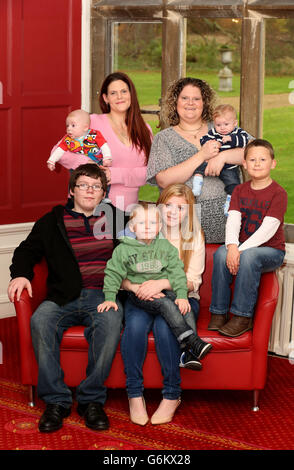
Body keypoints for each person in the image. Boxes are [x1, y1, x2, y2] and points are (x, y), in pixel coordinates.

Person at [7, 164, 128, 433]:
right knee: (40, 321)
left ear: (103, 194)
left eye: (96, 187)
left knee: (110, 323)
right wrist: (21, 275)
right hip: (63, 296)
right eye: (83, 185)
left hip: (103, 295)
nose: (89, 190)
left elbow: (145, 243)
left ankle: (91, 401)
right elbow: (26, 251)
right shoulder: (53, 221)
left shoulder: (118, 219)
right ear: (71, 190)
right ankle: (56, 402)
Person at [119, 184, 207, 426]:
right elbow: (120, 275)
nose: (172, 211)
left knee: (164, 326)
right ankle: (134, 394)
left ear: (189, 211)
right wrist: (136, 287)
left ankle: (171, 394)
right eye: (167, 205)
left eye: (180, 207)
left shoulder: (193, 236)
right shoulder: (141, 228)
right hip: (141, 296)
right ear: (159, 205)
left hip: (181, 297)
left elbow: (193, 282)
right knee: (135, 327)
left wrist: (161, 283)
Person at [98, 201, 211, 369]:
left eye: (152, 223)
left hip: (163, 289)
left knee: (184, 306)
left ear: (159, 226)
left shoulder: (165, 247)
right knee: (166, 304)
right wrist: (109, 298)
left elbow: (177, 273)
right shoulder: (123, 250)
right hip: (139, 293)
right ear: (133, 228)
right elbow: (113, 274)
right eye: (141, 223)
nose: (147, 227)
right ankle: (192, 341)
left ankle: (189, 354)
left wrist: (181, 295)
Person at [147, 77, 250, 244]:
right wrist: (201, 155)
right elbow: (163, 179)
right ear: (175, 102)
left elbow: (256, 152)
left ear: (204, 103)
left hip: (230, 226)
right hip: (184, 228)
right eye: (185, 98)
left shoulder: (220, 126)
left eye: (196, 99)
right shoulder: (164, 138)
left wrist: (223, 156)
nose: (191, 103)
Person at [208, 139, 287, 337]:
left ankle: (243, 317)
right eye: (252, 159)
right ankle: (218, 313)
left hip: (271, 250)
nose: (257, 163)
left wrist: (238, 251)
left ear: (273, 163)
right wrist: (232, 246)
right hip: (243, 246)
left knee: (249, 256)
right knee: (220, 253)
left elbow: (268, 230)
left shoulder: (278, 193)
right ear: (244, 164)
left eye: (262, 159)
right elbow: (233, 222)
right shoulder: (239, 190)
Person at [56, 72, 153, 211]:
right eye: (113, 93)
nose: (120, 97)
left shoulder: (144, 129)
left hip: (128, 210)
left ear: (131, 94)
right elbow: (59, 152)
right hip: (90, 209)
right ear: (105, 98)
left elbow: (150, 172)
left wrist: (116, 175)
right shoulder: (93, 123)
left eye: (124, 91)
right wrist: (87, 163)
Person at [193, 104, 250, 215]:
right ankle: (197, 182)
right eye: (218, 124)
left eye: (226, 124)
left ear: (235, 123)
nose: (222, 128)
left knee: (233, 183)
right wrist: (210, 143)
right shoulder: (214, 132)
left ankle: (230, 203)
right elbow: (203, 139)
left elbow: (244, 141)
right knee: (199, 167)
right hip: (210, 162)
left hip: (229, 167)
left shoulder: (238, 133)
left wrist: (231, 139)